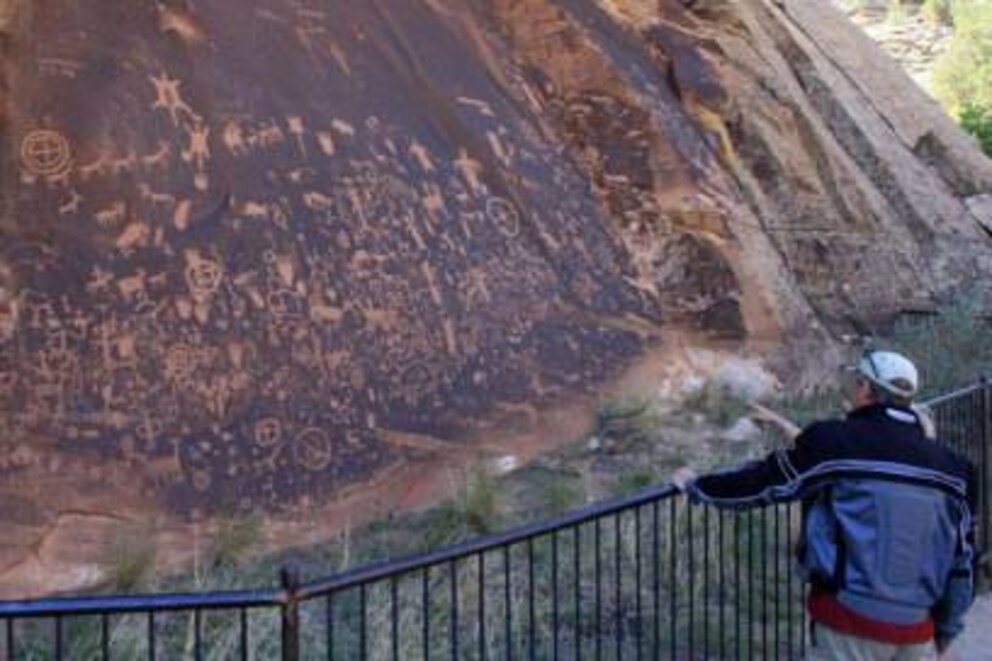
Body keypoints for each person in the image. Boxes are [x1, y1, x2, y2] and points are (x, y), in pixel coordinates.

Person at [674, 350, 977, 661]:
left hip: (848, 623)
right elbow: (962, 560)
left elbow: (766, 482)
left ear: (863, 388)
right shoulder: (955, 469)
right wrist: (946, 630)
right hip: (918, 631)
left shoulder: (836, 441)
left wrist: (699, 485)